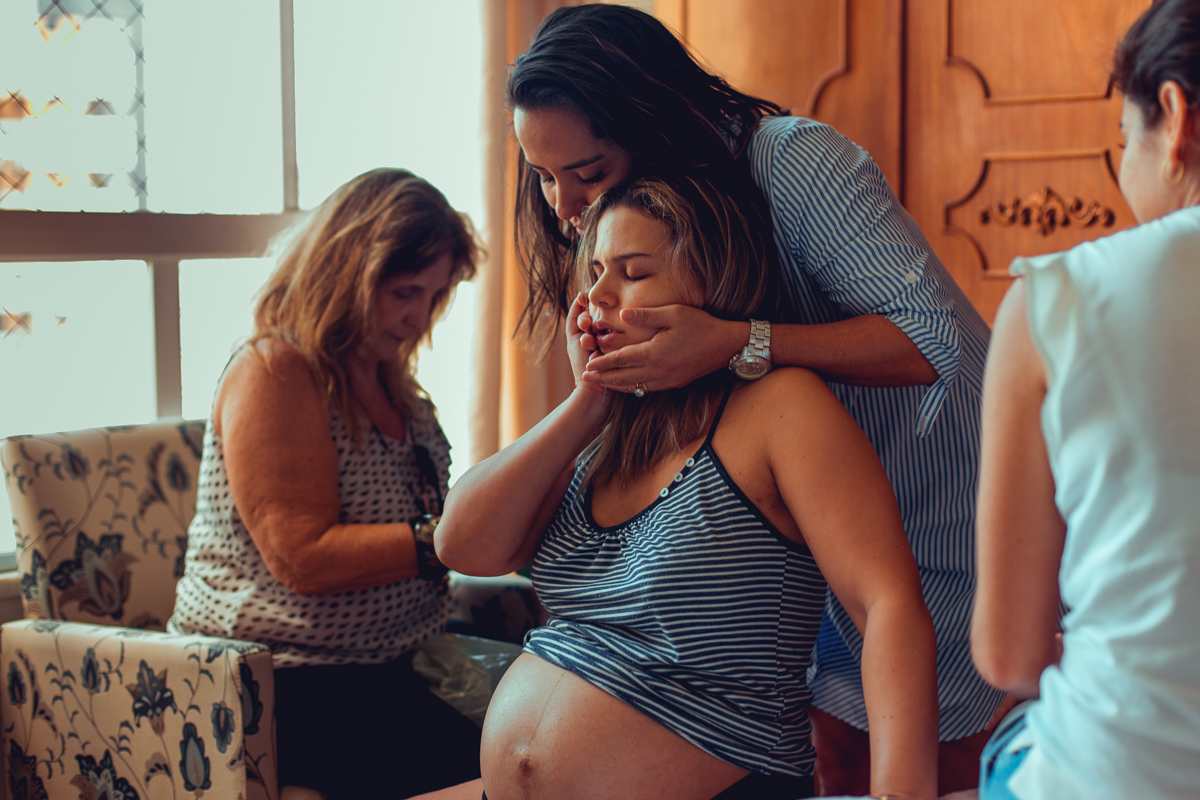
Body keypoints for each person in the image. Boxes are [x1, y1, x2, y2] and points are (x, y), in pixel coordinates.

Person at [504, 5, 997, 794]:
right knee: (838, 761)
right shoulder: (644, 242)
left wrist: (737, 341)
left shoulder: (792, 162)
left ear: (651, 119)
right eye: (544, 176)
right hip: (811, 539)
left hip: (947, 514)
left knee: (933, 762)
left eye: (588, 174)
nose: (565, 209)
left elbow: (928, 340)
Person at [430, 174, 938, 800]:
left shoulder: (780, 407)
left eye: (633, 273)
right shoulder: (605, 431)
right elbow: (461, 545)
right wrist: (588, 401)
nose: (598, 295)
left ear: (712, 283)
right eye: (596, 271)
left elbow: (886, 603)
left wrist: (901, 794)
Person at [168, 169, 483, 799]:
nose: (418, 317)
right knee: (510, 766)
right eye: (404, 292)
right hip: (285, 679)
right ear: (346, 271)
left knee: (547, 733)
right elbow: (302, 558)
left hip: (396, 663)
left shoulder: (392, 381)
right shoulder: (275, 370)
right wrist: (448, 537)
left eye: (433, 296)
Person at [971, 2, 1200, 798]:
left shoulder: (1057, 301)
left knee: (1010, 742)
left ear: (1175, 117)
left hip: (1116, 773)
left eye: (1124, 137)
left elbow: (1009, 656)